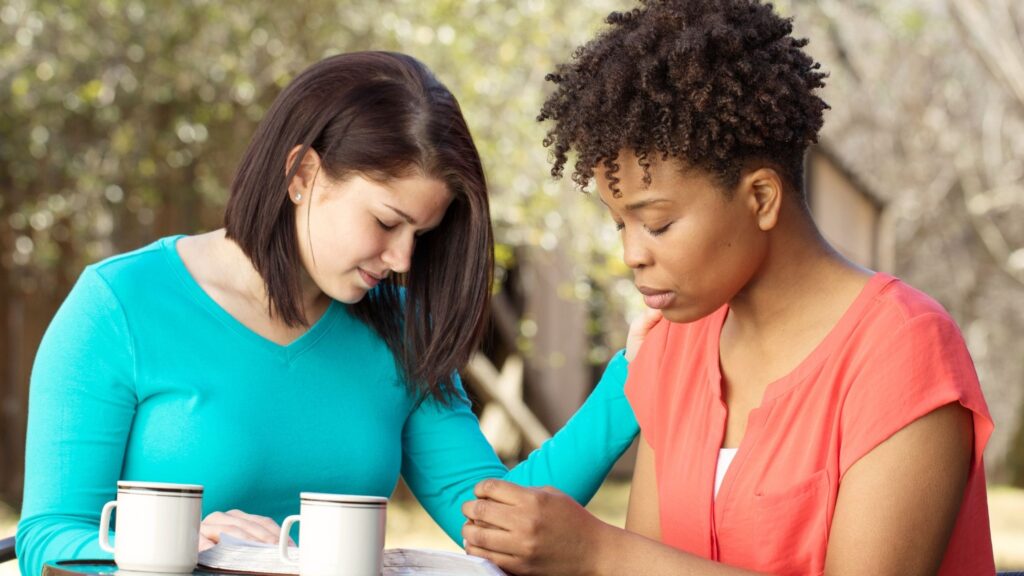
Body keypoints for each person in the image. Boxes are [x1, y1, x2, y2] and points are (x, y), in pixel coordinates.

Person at [17, 51, 646, 576]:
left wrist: (634, 378)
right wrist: (190, 548)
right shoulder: (119, 306)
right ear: (303, 174)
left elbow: (496, 526)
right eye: (386, 221)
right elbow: (47, 538)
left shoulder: (401, 329)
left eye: (420, 235)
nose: (402, 260)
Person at [461, 2, 995, 575]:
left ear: (760, 198)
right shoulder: (675, 346)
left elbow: (627, 561)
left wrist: (598, 551)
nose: (632, 255)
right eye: (621, 224)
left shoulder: (901, 351)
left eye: (658, 224)